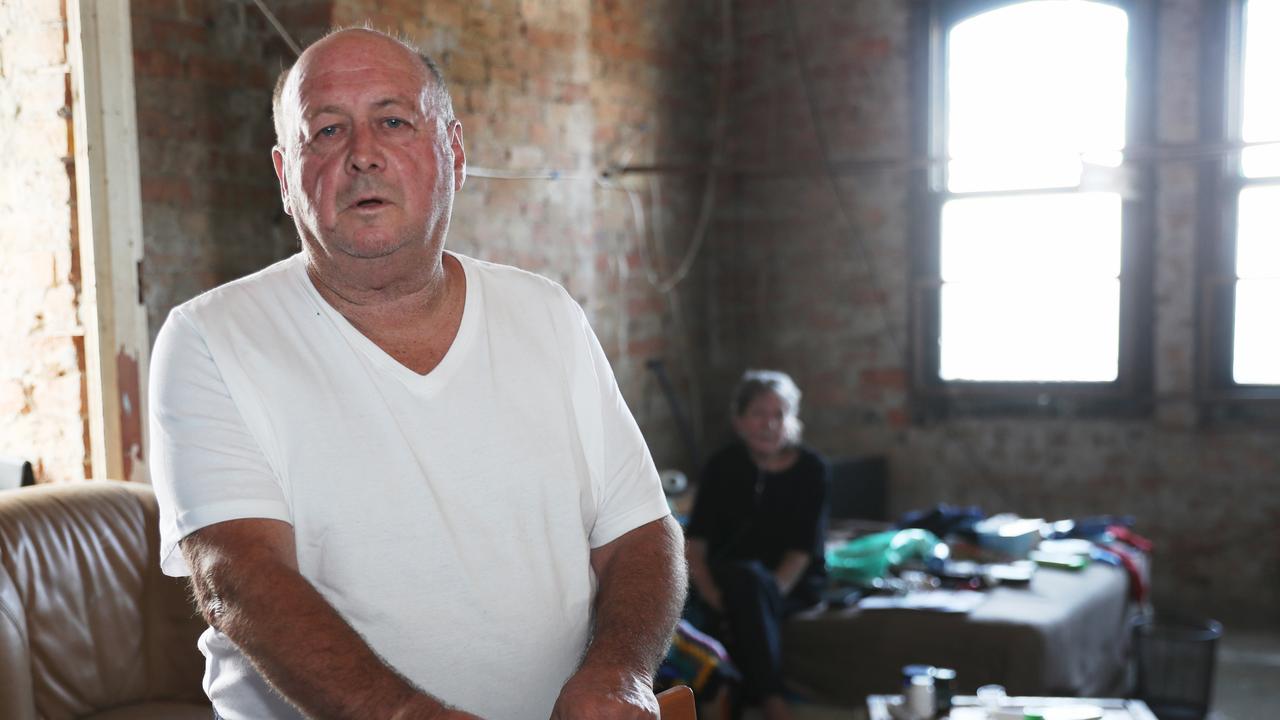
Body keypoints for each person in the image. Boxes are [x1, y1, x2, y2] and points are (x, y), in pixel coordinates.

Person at [147, 27, 686, 720]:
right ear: (286, 177)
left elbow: (641, 531)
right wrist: (403, 715)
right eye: (327, 131)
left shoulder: (545, 314)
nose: (362, 155)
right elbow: (241, 577)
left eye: (393, 121)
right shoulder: (211, 338)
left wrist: (620, 673)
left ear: (454, 153)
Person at [684, 370, 829, 720]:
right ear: (739, 420)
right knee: (739, 584)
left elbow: (801, 549)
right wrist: (711, 593)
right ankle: (768, 699)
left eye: (779, 415)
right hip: (726, 581)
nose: (769, 424)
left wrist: (768, 593)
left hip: (789, 585)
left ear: (792, 421)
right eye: (759, 414)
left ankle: (765, 700)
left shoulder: (811, 469)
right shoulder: (722, 466)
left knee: (748, 584)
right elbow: (696, 542)